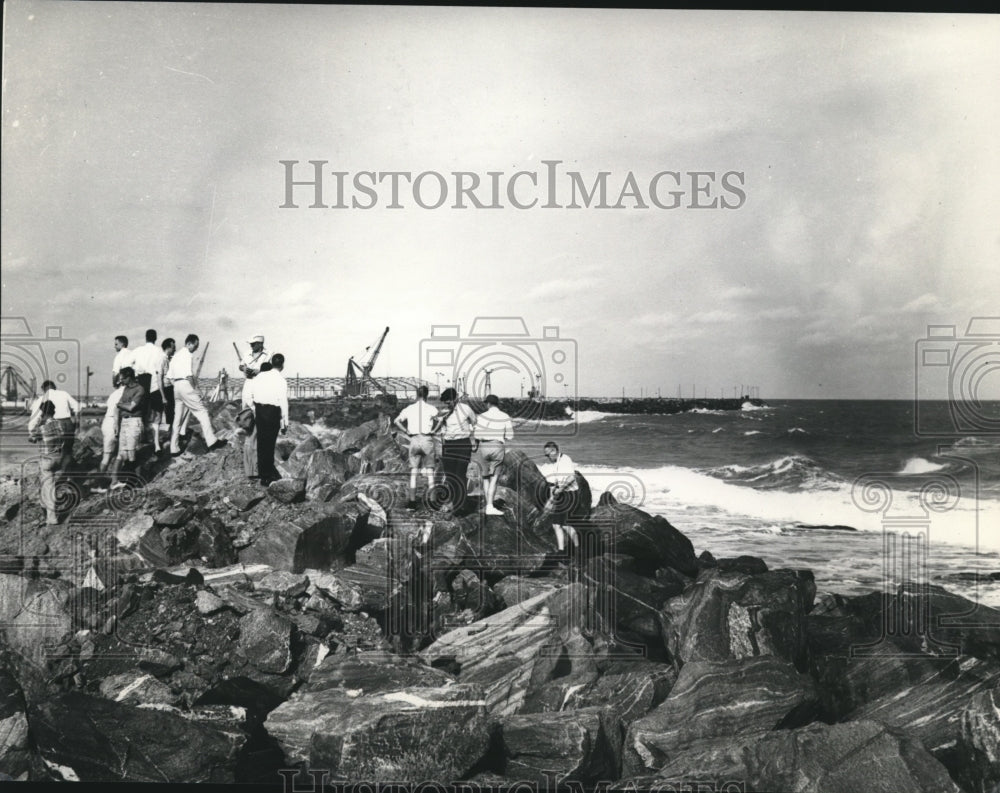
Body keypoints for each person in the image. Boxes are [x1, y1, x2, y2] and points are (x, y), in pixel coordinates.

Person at [167, 334, 226, 455]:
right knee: (202, 412)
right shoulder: (188, 355)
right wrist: (196, 390)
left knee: (177, 418)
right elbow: (189, 375)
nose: (196, 349)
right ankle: (212, 442)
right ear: (189, 343)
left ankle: (173, 448)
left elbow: (169, 376)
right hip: (185, 384)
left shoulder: (175, 356)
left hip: (176, 386)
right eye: (195, 345)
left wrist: (178, 386)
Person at [98, 366, 145, 491]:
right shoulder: (125, 390)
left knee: (132, 453)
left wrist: (120, 405)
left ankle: (136, 483)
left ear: (129, 377)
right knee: (121, 454)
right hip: (124, 422)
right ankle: (121, 481)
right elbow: (121, 407)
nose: (121, 381)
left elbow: (131, 407)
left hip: (134, 421)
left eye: (123, 379)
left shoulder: (139, 389)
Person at [432, 387, 477, 514]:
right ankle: (454, 502)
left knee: (460, 475)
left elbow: (475, 423)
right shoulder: (444, 412)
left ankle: (461, 505)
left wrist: (475, 440)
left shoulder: (466, 409)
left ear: (456, 398)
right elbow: (438, 430)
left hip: (463, 444)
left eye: (449, 401)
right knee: (450, 476)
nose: (447, 404)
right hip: (448, 445)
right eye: (445, 402)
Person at [245, 354, 288, 487]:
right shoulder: (281, 380)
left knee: (261, 444)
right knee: (270, 444)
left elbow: (249, 397)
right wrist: (284, 422)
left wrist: (254, 408)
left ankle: (263, 474)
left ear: (271, 362)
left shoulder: (260, 376)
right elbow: (283, 403)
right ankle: (268, 475)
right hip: (273, 412)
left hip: (260, 411)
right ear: (282, 365)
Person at [393, 385, 439, 506]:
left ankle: (412, 501)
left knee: (413, 472)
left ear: (417, 395)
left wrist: (406, 431)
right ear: (427, 395)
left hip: (414, 440)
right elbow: (439, 420)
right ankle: (433, 501)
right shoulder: (431, 408)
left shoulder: (409, 408)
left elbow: (396, 421)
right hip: (427, 439)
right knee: (430, 472)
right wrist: (434, 430)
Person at [473, 394, 514, 515]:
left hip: (484, 446)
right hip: (497, 446)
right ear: (497, 404)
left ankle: (488, 505)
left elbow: (476, 435)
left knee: (485, 478)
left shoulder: (481, 416)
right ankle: (490, 507)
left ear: (488, 404)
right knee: (494, 479)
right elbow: (510, 436)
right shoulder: (505, 416)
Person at [539, 441, 582, 551]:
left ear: (554, 451)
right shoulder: (556, 462)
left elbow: (571, 477)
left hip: (570, 494)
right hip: (563, 495)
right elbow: (556, 483)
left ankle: (577, 549)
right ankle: (562, 551)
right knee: (557, 525)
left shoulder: (565, 459)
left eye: (547, 454)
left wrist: (560, 489)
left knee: (564, 525)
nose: (547, 457)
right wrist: (552, 498)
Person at [28, 380, 79, 472]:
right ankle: (65, 477)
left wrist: (31, 432)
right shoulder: (64, 394)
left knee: (51, 452)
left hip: (53, 424)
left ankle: (52, 474)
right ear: (54, 387)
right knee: (67, 452)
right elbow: (78, 407)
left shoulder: (42, 398)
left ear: (43, 389)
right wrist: (76, 423)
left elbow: (34, 418)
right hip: (67, 423)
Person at [27, 400, 62, 525]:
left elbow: (31, 439)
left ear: (42, 412)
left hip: (47, 460)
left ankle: (52, 518)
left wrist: (37, 423)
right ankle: (43, 509)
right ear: (54, 411)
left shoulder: (41, 427)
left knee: (49, 488)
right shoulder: (59, 424)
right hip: (59, 457)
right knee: (46, 484)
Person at [132, 328, 167, 452]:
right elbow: (163, 369)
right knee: (157, 417)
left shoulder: (138, 351)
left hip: (142, 384)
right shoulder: (159, 351)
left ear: (145, 338)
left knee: (141, 414)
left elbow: (129, 365)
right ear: (155, 338)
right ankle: (157, 445)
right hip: (155, 386)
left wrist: (137, 371)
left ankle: (140, 441)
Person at [97, 384, 124, 476]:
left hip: (107, 421)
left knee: (109, 454)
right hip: (114, 421)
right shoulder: (124, 392)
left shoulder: (114, 393)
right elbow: (117, 409)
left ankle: (104, 481)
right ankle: (100, 482)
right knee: (110, 456)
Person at [239, 334, 271, 406]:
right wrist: (244, 368)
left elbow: (273, 369)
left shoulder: (269, 354)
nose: (251, 346)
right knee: (246, 403)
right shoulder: (247, 353)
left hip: (262, 383)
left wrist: (260, 372)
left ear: (260, 344)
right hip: (249, 382)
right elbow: (240, 366)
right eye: (250, 344)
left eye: (253, 344)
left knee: (260, 404)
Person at [160, 338, 177, 438]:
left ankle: (172, 435)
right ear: (168, 347)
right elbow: (160, 378)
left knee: (171, 413)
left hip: (169, 388)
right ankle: (171, 436)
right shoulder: (163, 359)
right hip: (167, 388)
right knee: (170, 413)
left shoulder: (167, 359)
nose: (175, 349)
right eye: (173, 347)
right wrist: (163, 396)